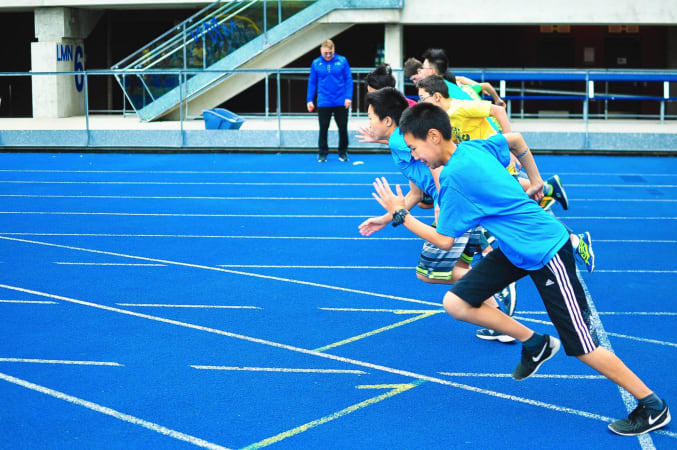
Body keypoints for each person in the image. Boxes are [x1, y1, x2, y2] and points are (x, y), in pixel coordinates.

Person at [370, 101, 670, 436]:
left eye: (414, 148)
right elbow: (515, 141)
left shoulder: (454, 177)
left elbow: (443, 241)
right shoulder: (472, 147)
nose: (414, 157)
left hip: (546, 251)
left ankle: (653, 406)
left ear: (435, 136)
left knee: (582, 347)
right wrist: (537, 179)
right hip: (515, 248)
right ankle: (535, 343)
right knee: (456, 302)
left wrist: (401, 215)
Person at [358, 87, 517, 342]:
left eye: (369, 117)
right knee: (459, 267)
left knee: (427, 272)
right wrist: (385, 219)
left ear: (387, 121)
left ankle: (498, 283)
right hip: (461, 202)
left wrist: (442, 206)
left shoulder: (400, 142)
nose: (367, 123)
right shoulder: (401, 143)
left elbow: (438, 170)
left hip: (453, 204)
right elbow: (415, 195)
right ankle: (500, 320)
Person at [417, 74, 595, 272]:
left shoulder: (460, 107)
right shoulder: (442, 119)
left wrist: (508, 146)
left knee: (517, 213)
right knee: (506, 214)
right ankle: (488, 258)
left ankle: (572, 239)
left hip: (494, 161)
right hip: (479, 165)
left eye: (423, 98)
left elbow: (498, 110)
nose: (420, 103)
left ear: (437, 97)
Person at [306, 39, 353, 163]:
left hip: (340, 101)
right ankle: (322, 153)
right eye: (325, 53)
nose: (328, 55)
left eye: (330, 53)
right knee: (323, 128)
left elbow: (348, 79)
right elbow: (312, 82)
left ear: (334, 50)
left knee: (343, 127)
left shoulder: (342, 61)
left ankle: (343, 152)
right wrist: (309, 99)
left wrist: (348, 97)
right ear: (321, 50)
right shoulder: (316, 63)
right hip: (324, 101)